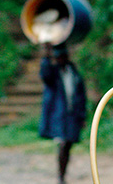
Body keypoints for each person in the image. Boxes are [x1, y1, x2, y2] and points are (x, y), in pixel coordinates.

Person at [39, 43, 87, 184]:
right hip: (59, 115)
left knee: (68, 145)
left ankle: (63, 173)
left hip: (73, 114)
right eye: (58, 57)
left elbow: (81, 96)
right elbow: (45, 74)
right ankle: (61, 177)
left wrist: (82, 116)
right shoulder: (53, 73)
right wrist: (46, 55)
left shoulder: (74, 72)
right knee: (62, 143)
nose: (60, 59)